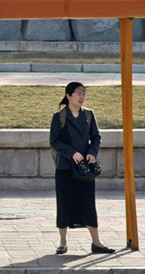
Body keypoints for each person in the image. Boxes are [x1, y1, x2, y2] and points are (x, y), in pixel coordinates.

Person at [49, 81, 115, 255]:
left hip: (85, 169)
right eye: (78, 93)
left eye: (83, 94)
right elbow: (54, 141)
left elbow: (96, 137)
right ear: (68, 96)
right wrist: (71, 153)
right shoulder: (59, 116)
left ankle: (96, 242)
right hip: (65, 167)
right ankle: (63, 242)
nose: (81, 97)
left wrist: (93, 153)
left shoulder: (89, 115)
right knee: (64, 204)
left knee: (88, 204)